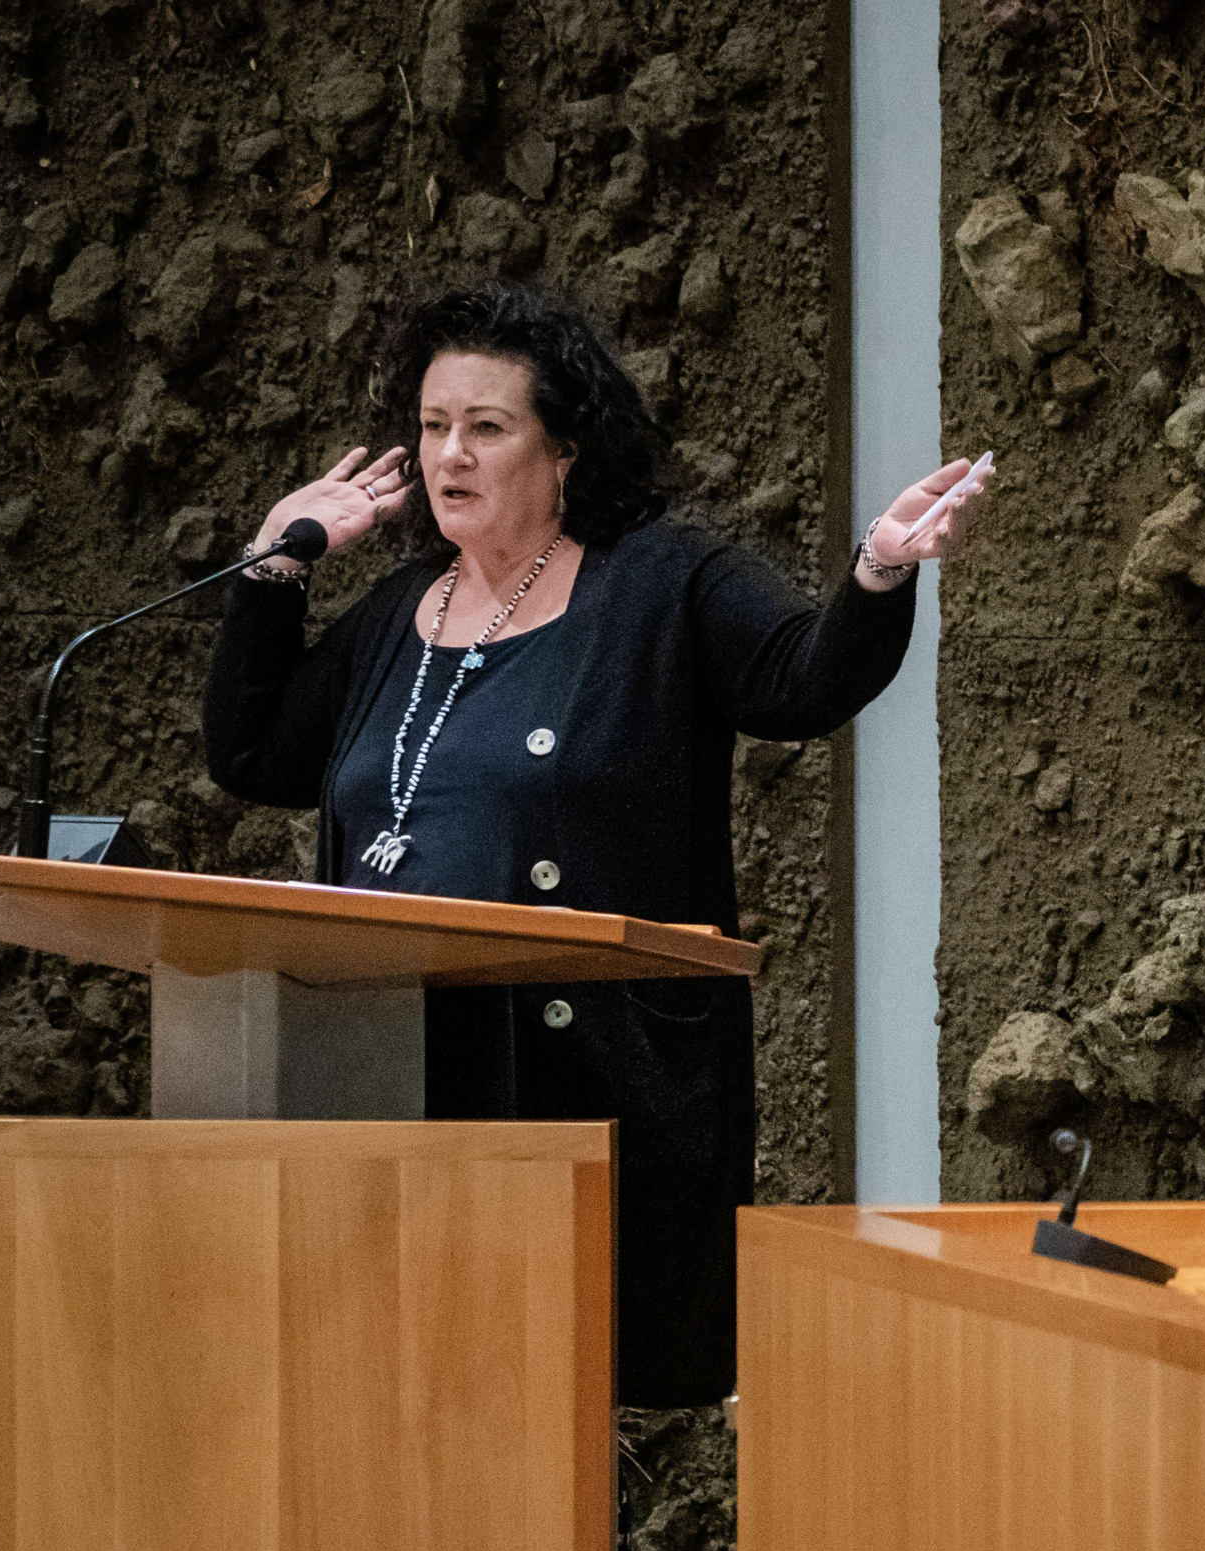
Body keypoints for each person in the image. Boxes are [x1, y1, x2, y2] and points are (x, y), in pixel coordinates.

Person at [205, 280, 988, 1412]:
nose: (450, 455)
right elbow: (252, 753)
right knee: (391, 1388)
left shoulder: (663, 582)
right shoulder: (397, 614)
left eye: (487, 426)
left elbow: (800, 682)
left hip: (581, 1078)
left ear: (564, 446)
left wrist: (879, 571)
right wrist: (276, 562)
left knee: (551, 1392)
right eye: (432, 427)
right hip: (387, 1072)